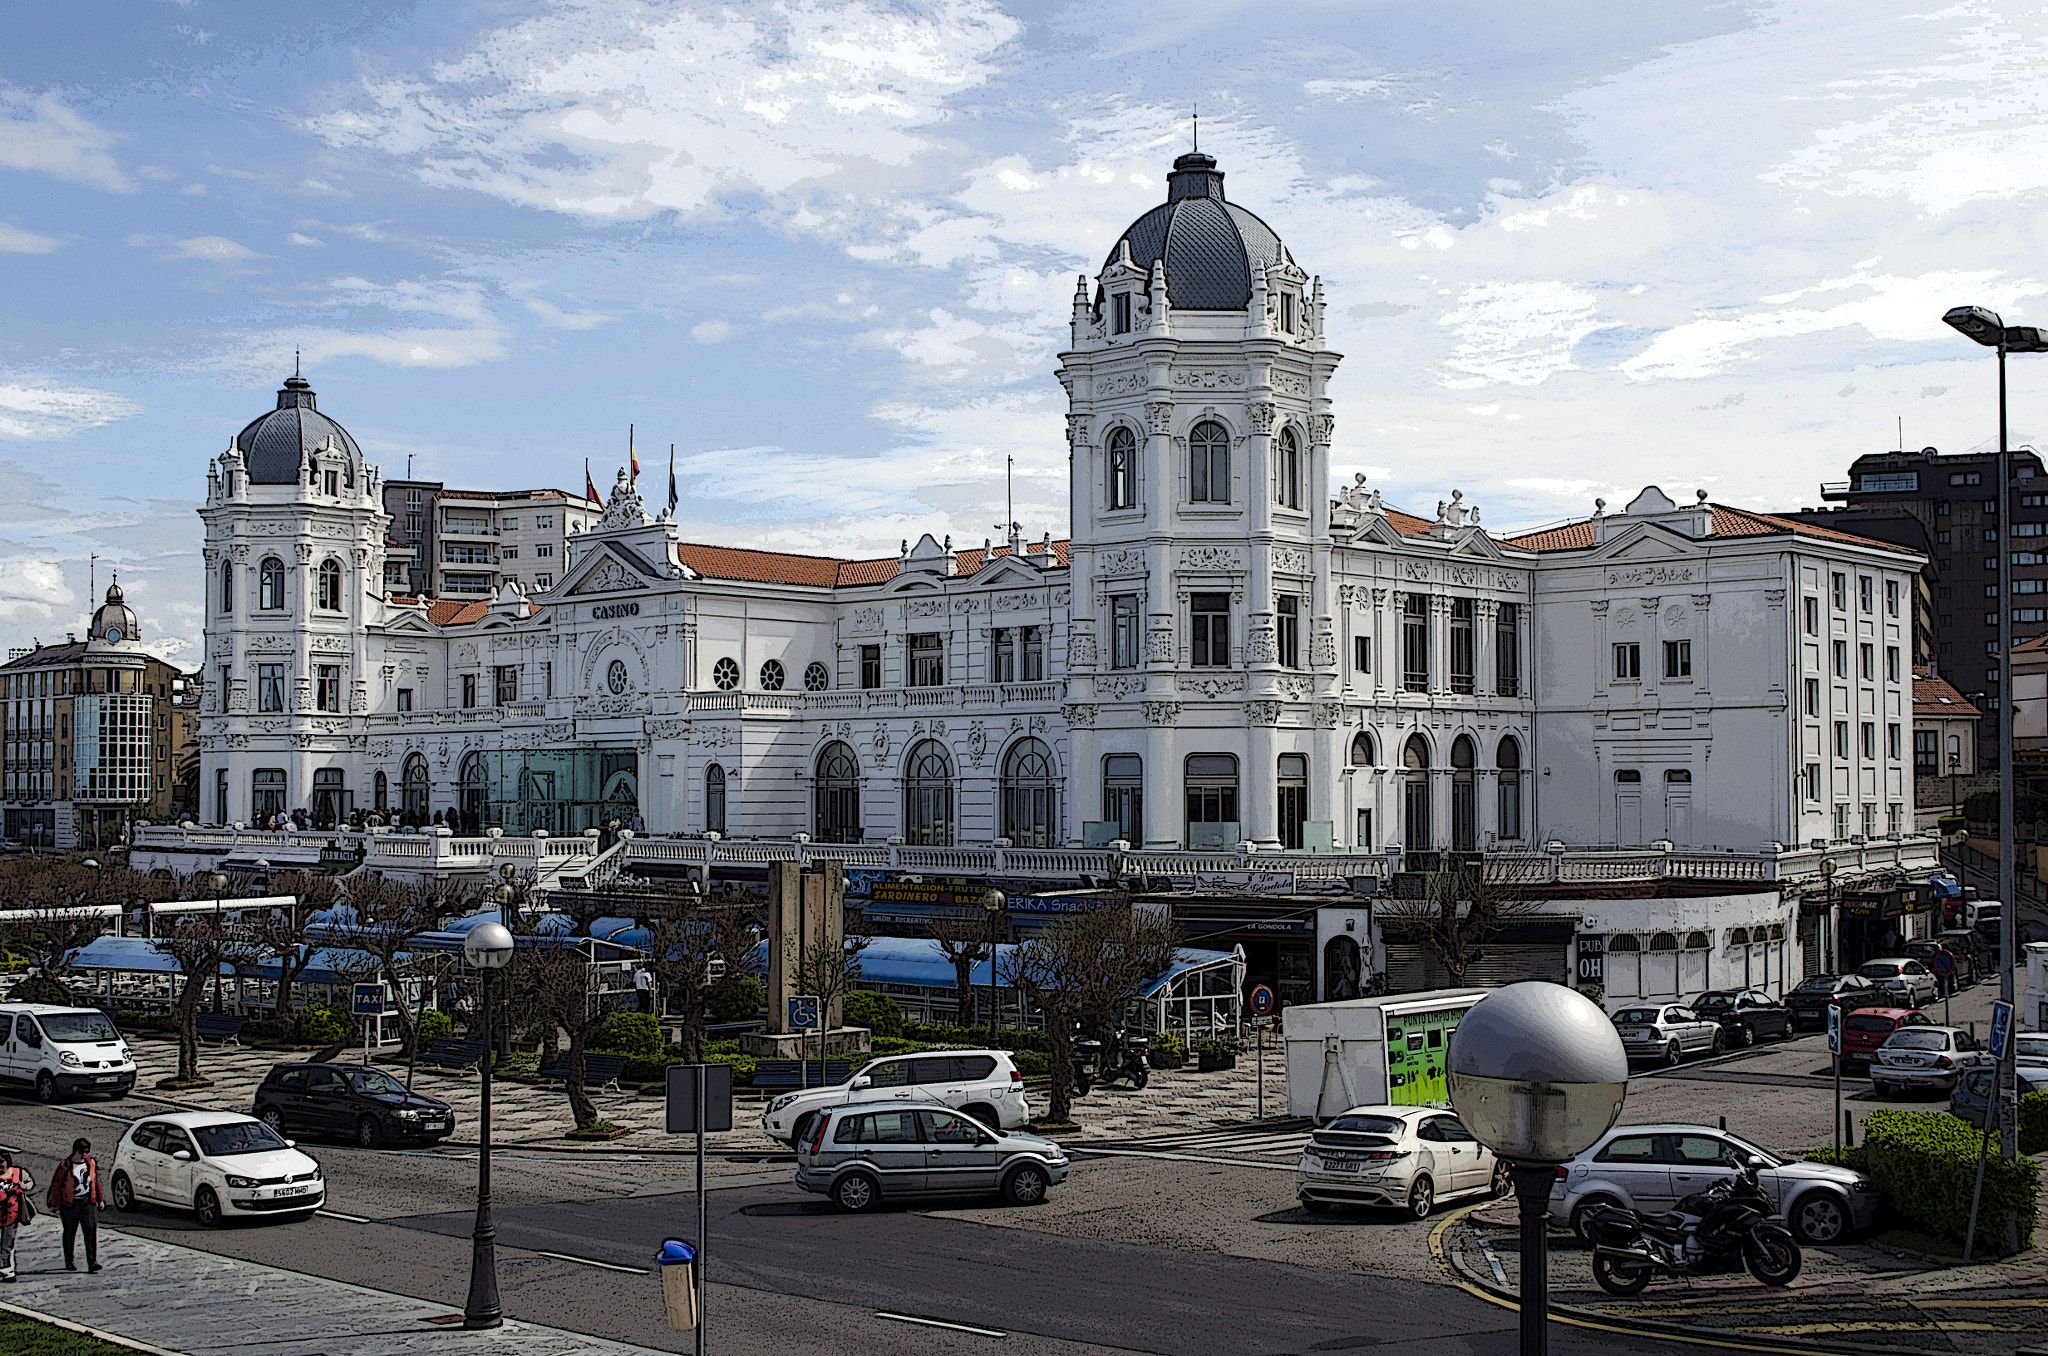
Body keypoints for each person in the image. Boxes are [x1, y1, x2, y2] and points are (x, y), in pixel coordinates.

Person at [47, 1137, 104, 1272]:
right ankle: (69, 1261)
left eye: (86, 1152)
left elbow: (95, 1182)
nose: (84, 1155)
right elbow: (56, 1185)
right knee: (70, 1232)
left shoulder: (90, 1163)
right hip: (70, 1204)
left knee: (90, 1231)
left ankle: (92, 1261)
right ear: (75, 1151)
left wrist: (99, 1199)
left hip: (87, 1202)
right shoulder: (65, 1166)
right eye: (81, 1152)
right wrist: (55, 1204)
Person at [0, 1149, 29, 1282]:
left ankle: (7, 1270)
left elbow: (29, 1183)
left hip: (11, 1215)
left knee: (7, 1244)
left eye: (1, 1162)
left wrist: (24, 1186)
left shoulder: (17, 1173)